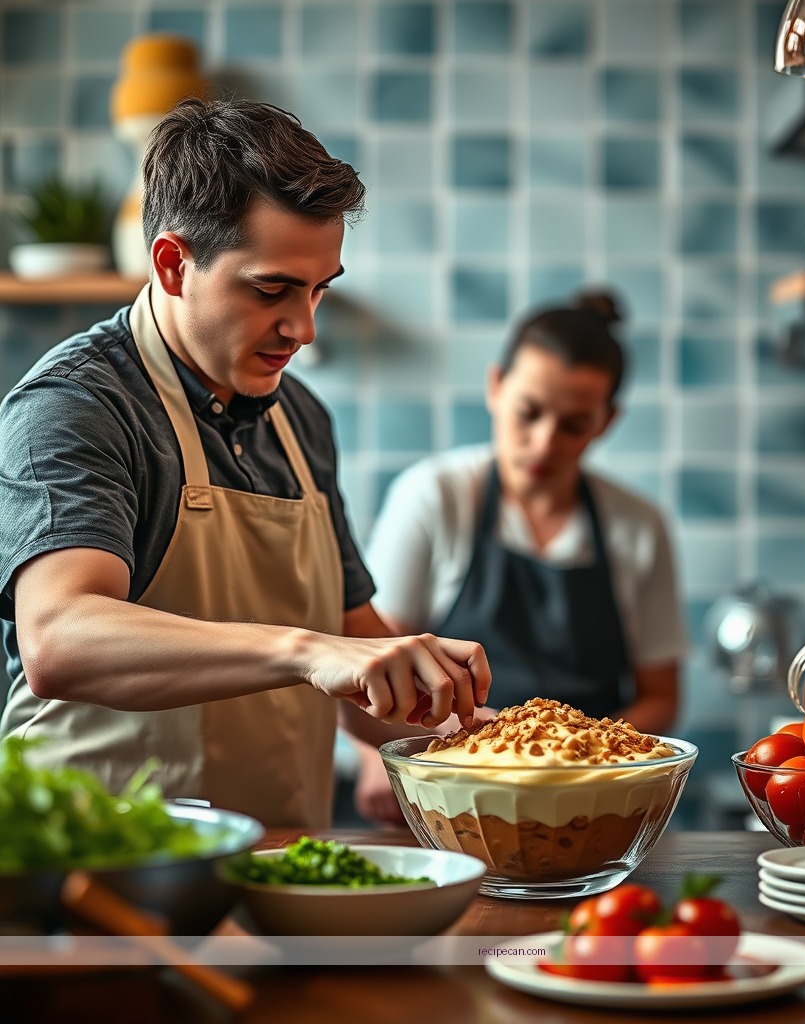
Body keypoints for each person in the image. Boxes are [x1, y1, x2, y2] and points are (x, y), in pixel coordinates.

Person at [0, 97, 490, 830]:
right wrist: (306, 651)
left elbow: (358, 658)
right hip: (93, 862)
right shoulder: (76, 405)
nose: (304, 328)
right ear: (173, 264)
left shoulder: (302, 419)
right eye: (272, 289)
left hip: (278, 862)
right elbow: (59, 637)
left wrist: (490, 738)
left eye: (320, 289)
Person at [351, 290, 686, 824]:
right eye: (529, 412)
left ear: (606, 422)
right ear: (496, 387)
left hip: (587, 796)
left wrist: (585, 762)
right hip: (457, 785)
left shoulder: (639, 527)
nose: (545, 442)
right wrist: (377, 755)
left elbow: (661, 696)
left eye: (574, 425)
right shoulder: (434, 496)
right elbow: (379, 660)